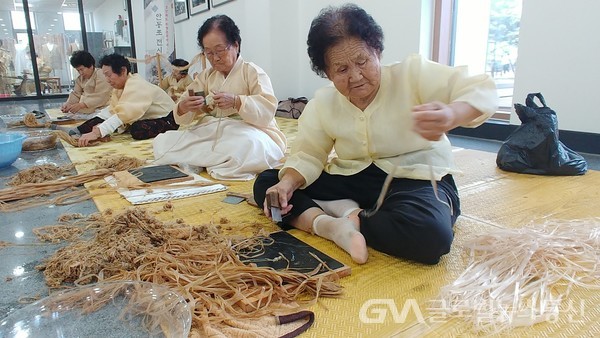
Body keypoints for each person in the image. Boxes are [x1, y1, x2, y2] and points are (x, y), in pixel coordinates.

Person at [253, 4, 498, 265]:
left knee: (432, 235)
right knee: (268, 184)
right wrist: (286, 185)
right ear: (327, 72)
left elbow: (479, 88)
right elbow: (309, 153)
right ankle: (329, 226)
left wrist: (451, 114)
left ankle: (347, 215)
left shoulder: (411, 74)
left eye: (362, 61)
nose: (356, 76)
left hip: (414, 176)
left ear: (377, 51)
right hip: (354, 176)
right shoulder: (323, 103)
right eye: (342, 69)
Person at [153, 15, 286, 181]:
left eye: (219, 50)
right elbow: (183, 111)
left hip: (251, 131)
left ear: (236, 45)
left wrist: (238, 102)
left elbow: (267, 111)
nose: (214, 58)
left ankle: (205, 159)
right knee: (163, 142)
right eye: (208, 53)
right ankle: (214, 160)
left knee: (247, 146)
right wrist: (184, 107)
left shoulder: (251, 72)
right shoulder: (206, 76)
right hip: (215, 131)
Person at [76, 53, 178, 147]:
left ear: (123, 71)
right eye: (105, 76)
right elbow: (112, 110)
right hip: (143, 117)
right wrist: (83, 128)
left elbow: (123, 114)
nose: (107, 80)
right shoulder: (119, 88)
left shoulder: (137, 85)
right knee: (96, 123)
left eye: (109, 75)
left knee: (137, 129)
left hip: (167, 118)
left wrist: (98, 132)